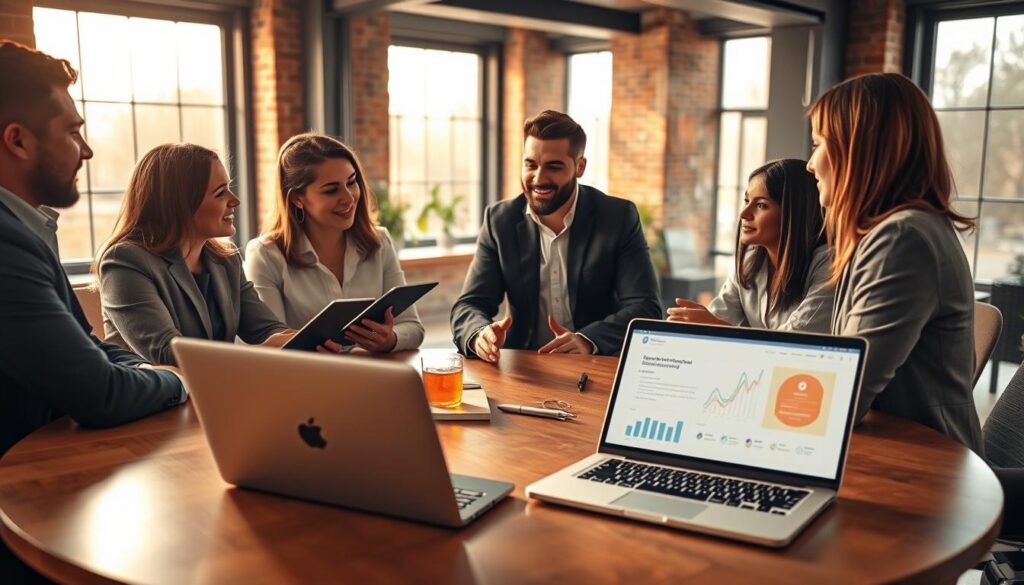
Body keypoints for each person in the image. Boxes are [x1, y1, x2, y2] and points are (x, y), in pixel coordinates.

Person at [0, 40, 184, 581]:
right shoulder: (6, 243)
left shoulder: (24, 227)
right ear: (18, 140)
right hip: (19, 517)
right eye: (73, 130)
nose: (86, 150)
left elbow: (91, 350)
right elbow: (98, 394)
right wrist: (177, 381)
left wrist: (143, 372)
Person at [807, 72, 982, 453]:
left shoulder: (902, 238)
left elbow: (844, 399)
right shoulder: (894, 232)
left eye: (818, 144)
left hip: (927, 474)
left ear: (857, 151)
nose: (809, 164)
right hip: (894, 452)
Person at [451, 110, 661, 362]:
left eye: (554, 166)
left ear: (580, 167)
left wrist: (587, 339)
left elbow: (645, 308)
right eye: (531, 165)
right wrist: (479, 334)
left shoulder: (618, 218)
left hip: (594, 365)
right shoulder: (499, 221)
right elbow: (469, 305)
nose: (539, 178)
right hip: (524, 368)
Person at [97, 143, 294, 366]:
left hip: (215, 391)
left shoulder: (227, 260)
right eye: (221, 193)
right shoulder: (125, 261)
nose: (235, 200)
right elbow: (167, 352)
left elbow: (267, 329)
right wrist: (259, 354)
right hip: (159, 396)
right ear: (180, 203)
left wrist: (310, 340)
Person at [244, 133, 424, 353]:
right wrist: (310, 350)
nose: (349, 198)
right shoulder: (266, 255)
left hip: (372, 378)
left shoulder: (379, 242)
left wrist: (391, 339)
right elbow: (269, 344)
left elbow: (413, 328)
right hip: (304, 382)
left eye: (351, 182)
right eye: (331, 190)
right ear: (297, 199)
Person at [667, 159, 833, 332]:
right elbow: (719, 315)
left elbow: (793, 343)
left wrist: (715, 326)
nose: (744, 214)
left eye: (761, 205)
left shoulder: (828, 265)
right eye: (747, 201)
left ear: (794, 214)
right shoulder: (750, 261)